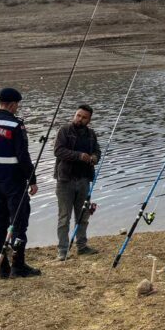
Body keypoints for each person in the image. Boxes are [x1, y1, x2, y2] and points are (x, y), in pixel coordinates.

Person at [0, 87, 41, 278]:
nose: (17, 108)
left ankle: (2, 267)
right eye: (17, 105)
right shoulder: (15, 125)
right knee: (19, 222)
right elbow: (23, 155)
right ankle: (18, 266)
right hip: (13, 182)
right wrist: (32, 179)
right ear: (12, 104)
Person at [53, 104, 101, 260]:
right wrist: (79, 156)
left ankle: (82, 246)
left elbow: (97, 151)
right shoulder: (64, 131)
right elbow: (58, 151)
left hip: (84, 180)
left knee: (83, 216)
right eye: (78, 115)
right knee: (64, 217)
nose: (80, 119)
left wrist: (94, 158)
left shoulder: (91, 134)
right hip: (65, 181)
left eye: (84, 117)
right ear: (75, 115)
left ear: (89, 120)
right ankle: (62, 250)